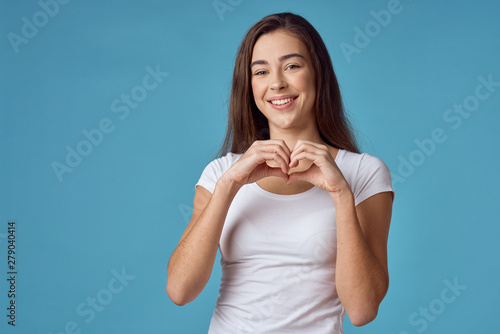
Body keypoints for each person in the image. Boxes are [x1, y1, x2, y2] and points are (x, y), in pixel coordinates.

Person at [167, 12, 394, 333]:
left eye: (292, 66)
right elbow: (180, 290)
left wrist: (341, 193)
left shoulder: (364, 172)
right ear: (249, 86)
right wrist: (230, 183)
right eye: (261, 71)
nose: (277, 83)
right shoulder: (220, 172)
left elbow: (362, 309)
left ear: (319, 74)